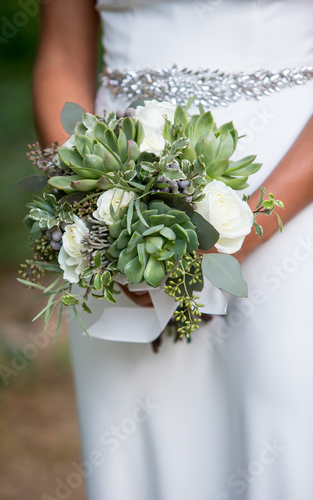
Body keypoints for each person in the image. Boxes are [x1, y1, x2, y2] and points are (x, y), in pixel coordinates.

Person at [33, 0, 313, 498]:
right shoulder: (106, 212)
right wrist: (99, 214)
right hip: (116, 183)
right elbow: (61, 58)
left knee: (280, 430)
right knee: (139, 432)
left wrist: (239, 236)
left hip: (284, 190)